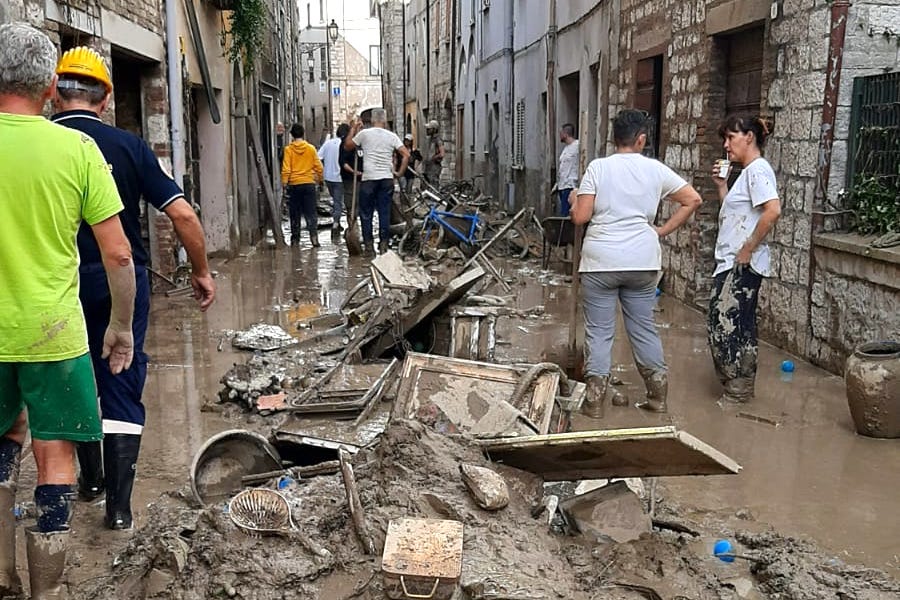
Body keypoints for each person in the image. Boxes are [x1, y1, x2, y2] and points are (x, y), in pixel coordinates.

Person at [51, 46, 216, 530]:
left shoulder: (39, 144)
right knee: (121, 375)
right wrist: (201, 270)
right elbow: (181, 213)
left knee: (72, 373)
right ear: (105, 99)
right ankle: (118, 510)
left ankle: (89, 480)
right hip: (121, 279)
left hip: (57, 280)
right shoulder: (129, 147)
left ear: (54, 95)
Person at [0, 24, 135, 596]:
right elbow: (119, 253)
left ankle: (2, 575)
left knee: (5, 447)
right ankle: (45, 591)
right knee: (56, 457)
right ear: (51, 87)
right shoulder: (77, 149)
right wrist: (122, 328)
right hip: (53, 331)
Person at [570, 109, 702, 417]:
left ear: (614, 138)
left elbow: (580, 217)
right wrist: (661, 230)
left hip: (601, 261)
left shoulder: (598, 168)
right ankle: (657, 397)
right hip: (642, 261)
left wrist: (575, 198)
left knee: (600, 331)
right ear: (641, 139)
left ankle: (594, 403)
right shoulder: (655, 170)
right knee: (643, 327)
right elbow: (693, 199)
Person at [707, 115, 781, 404]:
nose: (727, 145)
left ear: (749, 137)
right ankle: (739, 390)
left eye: (731, 137)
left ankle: (736, 391)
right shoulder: (747, 173)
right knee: (740, 326)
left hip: (740, 264)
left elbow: (772, 210)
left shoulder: (757, 170)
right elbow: (734, 214)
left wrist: (748, 248)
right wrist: (721, 186)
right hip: (735, 262)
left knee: (724, 325)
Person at [344, 109, 410, 255]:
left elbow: (348, 146)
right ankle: (383, 245)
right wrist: (399, 172)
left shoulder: (364, 134)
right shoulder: (392, 136)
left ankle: (369, 247)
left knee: (366, 213)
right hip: (386, 179)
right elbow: (406, 155)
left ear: (372, 121)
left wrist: (353, 129)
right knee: (384, 212)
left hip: (369, 179)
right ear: (385, 121)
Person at [281, 123, 324, 246]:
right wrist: (321, 180)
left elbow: (286, 168)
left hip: (294, 185)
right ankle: (314, 237)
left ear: (292, 135)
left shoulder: (288, 150)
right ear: (303, 134)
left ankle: (295, 239)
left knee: (295, 212)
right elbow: (319, 167)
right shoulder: (310, 149)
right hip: (309, 184)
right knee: (311, 212)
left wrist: (284, 183)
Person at [318, 125, 348, 241]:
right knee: (338, 202)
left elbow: (318, 157)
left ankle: (337, 220)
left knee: (336, 201)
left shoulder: (328, 144)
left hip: (328, 178)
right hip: (340, 178)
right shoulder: (345, 145)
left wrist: (323, 170)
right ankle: (336, 223)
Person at [339, 122, 363, 240]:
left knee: (361, 204)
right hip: (349, 180)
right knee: (350, 205)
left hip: (363, 179)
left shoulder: (362, 144)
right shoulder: (345, 145)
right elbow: (343, 163)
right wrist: (353, 172)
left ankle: (360, 230)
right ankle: (353, 229)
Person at [557, 123, 580, 216]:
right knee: (563, 211)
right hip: (562, 184)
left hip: (570, 184)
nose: (560, 135)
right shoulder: (566, 148)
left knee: (566, 213)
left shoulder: (577, 145)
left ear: (565, 134)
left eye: (561, 133)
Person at [423, 119, 445, 185]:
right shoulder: (430, 139)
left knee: (433, 185)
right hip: (428, 166)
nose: (427, 130)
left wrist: (434, 158)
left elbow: (442, 154)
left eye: (429, 129)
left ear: (434, 129)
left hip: (434, 167)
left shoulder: (438, 140)